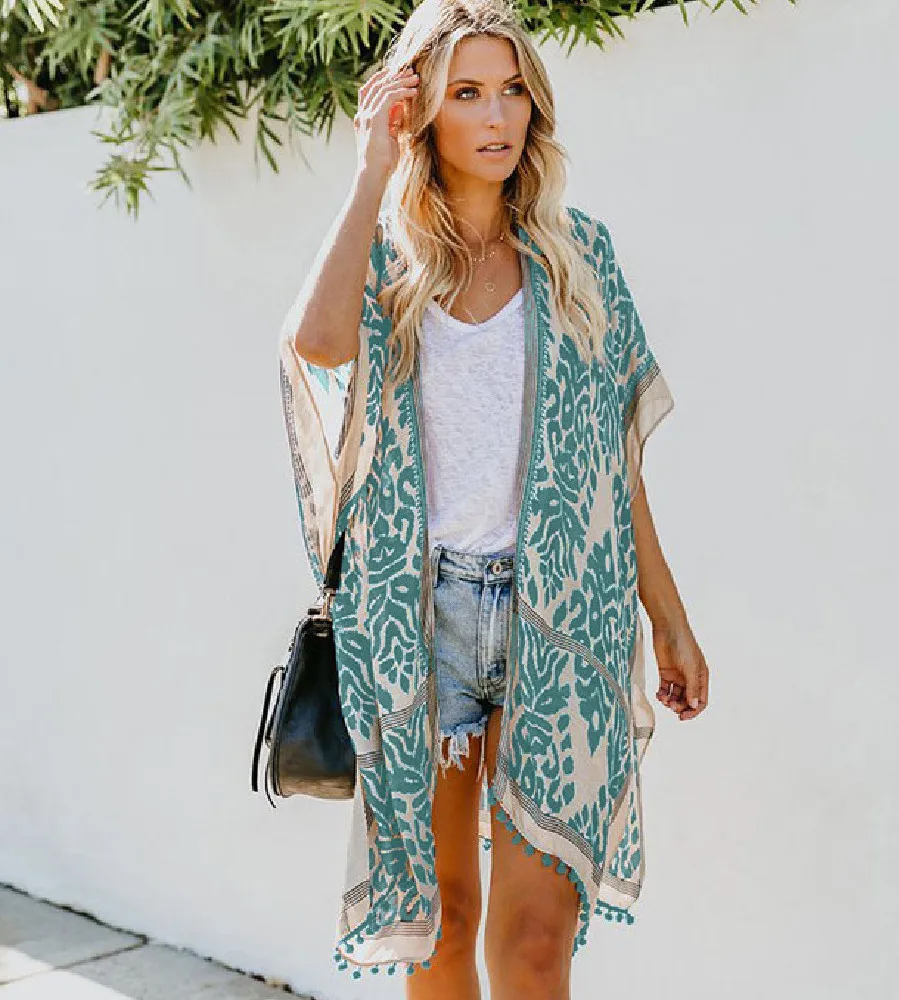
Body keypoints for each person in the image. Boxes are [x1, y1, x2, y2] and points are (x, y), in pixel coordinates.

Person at [279, 0, 710, 996]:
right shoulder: (386, 261)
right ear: (423, 111)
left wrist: (670, 618)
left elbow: (613, 469)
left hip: (563, 613)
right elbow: (315, 346)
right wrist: (369, 173)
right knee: (444, 919)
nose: (496, 115)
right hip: (420, 619)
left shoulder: (578, 256)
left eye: (512, 90)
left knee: (535, 940)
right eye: (467, 92)